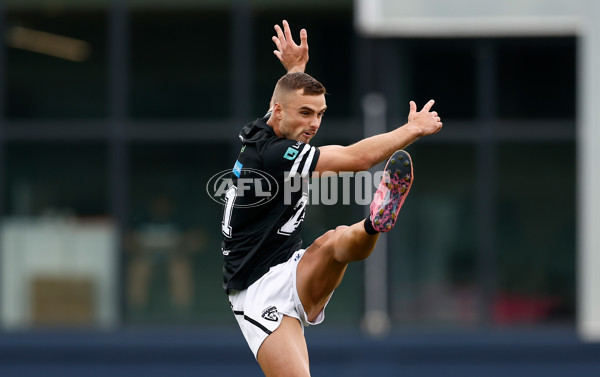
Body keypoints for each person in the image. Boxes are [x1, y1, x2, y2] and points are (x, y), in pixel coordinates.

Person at [221, 20, 442, 376]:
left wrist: (295, 71)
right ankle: (371, 225)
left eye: (320, 114)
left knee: (336, 241)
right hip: (255, 290)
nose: (314, 124)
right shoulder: (274, 154)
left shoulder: (266, 127)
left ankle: (375, 220)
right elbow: (357, 160)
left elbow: (285, 99)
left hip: (290, 264)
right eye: (305, 113)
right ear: (280, 112)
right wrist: (412, 129)